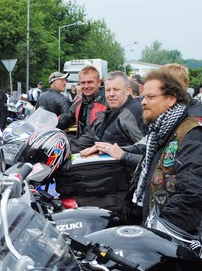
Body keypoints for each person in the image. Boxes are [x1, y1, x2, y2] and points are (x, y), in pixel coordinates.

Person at [94, 70, 202, 233]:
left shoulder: (190, 134)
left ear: (171, 99)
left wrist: (160, 230)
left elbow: (191, 194)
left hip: (170, 233)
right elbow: (144, 155)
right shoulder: (160, 130)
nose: (143, 102)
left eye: (151, 97)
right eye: (144, 96)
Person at [69, 71, 145, 213]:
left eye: (116, 89)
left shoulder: (133, 113)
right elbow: (88, 138)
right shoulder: (109, 112)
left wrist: (120, 153)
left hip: (124, 188)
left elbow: (145, 149)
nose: (111, 94)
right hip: (105, 181)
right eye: (108, 89)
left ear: (128, 90)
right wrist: (63, 148)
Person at [58, 65, 106, 150]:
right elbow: (66, 117)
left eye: (90, 82)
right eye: (83, 83)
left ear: (99, 82)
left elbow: (94, 133)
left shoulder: (107, 101)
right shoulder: (80, 101)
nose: (86, 86)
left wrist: (72, 148)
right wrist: (48, 125)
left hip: (100, 150)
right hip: (82, 147)